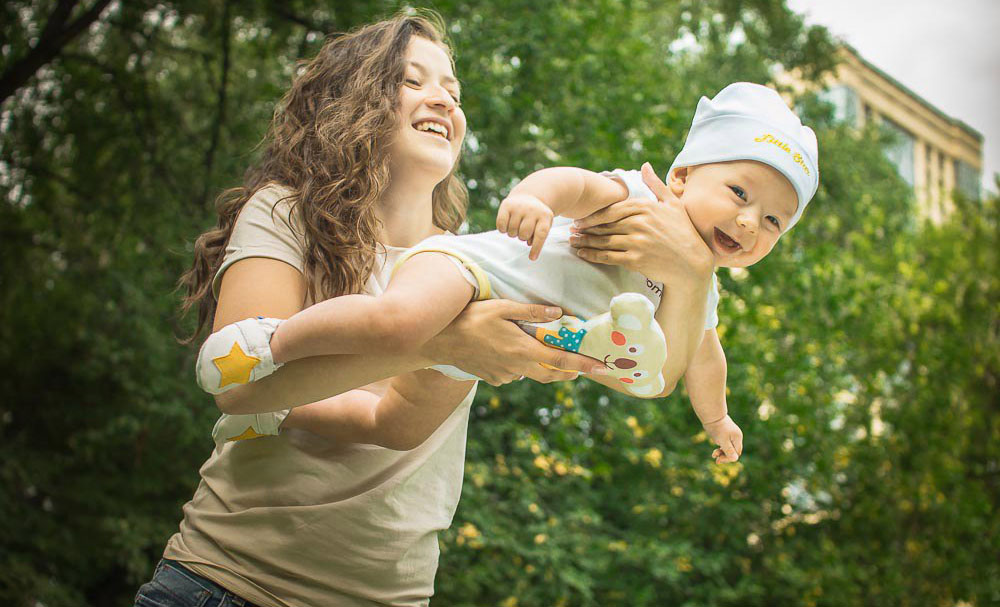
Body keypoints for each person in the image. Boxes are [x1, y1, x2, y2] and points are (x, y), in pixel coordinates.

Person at [136, 12, 716, 607]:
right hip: (232, 582)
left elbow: (403, 425)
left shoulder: (471, 259)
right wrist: (443, 343)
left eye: (453, 91)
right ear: (350, 102)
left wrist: (688, 274)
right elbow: (236, 389)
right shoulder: (286, 211)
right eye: (413, 82)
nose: (442, 99)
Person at [201, 82, 819, 466]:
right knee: (399, 322)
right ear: (682, 177)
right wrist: (534, 198)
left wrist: (716, 418)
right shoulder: (640, 197)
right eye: (739, 192)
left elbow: (703, 361)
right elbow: (575, 184)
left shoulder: (702, 290)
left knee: (396, 426)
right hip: (474, 271)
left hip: (520, 330)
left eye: (772, 222)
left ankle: (274, 411)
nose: (747, 222)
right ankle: (268, 343)